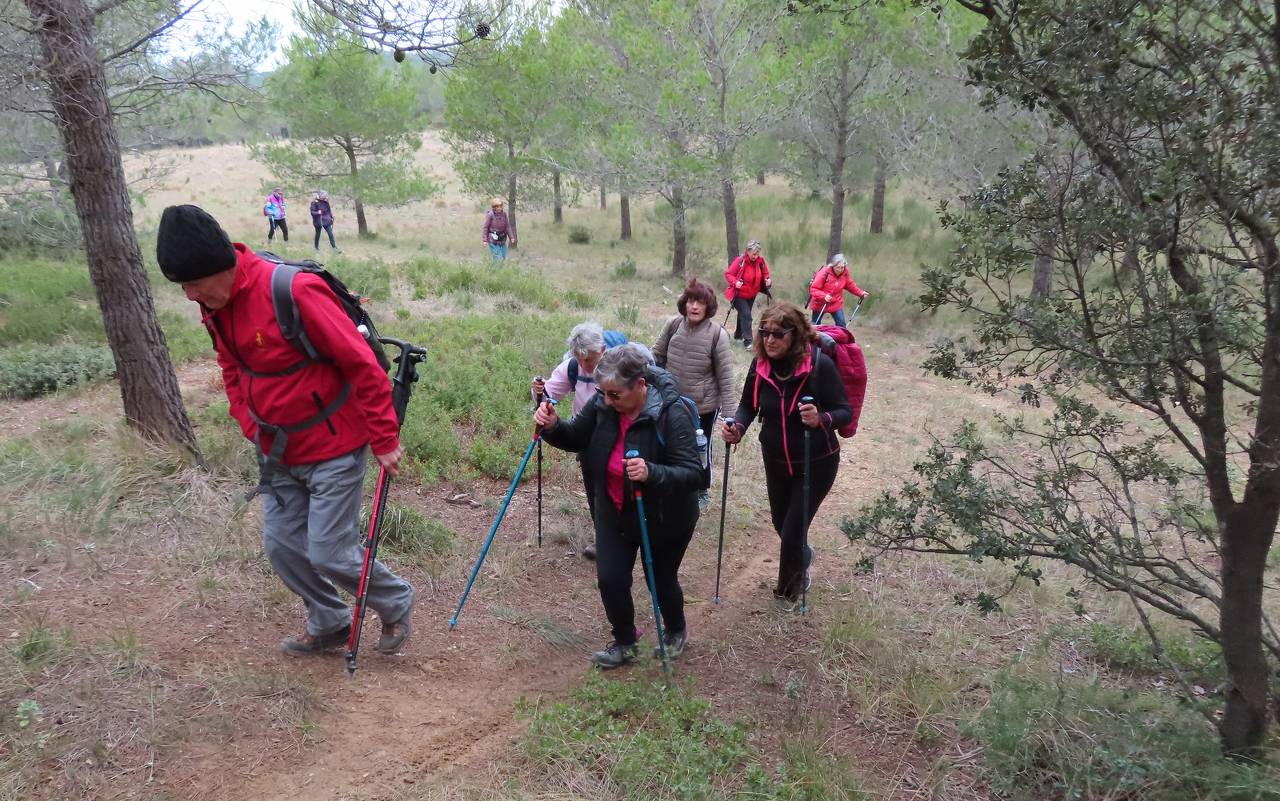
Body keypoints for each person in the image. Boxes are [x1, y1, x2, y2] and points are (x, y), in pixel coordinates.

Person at [156, 204, 415, 657]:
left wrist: (385, 437)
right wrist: (247, 422)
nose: (189, 295)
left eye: (193, 284)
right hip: (276, 450)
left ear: (221, 268)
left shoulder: (293, 291)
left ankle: (394, 600)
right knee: (282, 547)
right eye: (183, 287)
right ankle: (331, 620)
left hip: (334, 444)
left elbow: (363, 366)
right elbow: (231, 366)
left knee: (329, 552)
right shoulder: (213, 302)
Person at [534, 344, 703, 668]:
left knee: (660, 580)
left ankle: (675, 630)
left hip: (665, 516)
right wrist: (554, 425)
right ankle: (625, 641)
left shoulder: (670, 413)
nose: (607, 401)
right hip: (614, 509)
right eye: (603, 393)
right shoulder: (603, 405)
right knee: (610, 579)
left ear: (640, 385)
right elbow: (576, 437)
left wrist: (652, 472)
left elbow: (693, 474)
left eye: (615, 395)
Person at [720, 302, 850, 610]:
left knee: (792, 531)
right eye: (764, 333)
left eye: (778, 334)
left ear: (795, 336)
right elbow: (748, 406)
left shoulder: (819, 366)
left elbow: (845, 411)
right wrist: (737, 427)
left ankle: (787, 592)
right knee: (782, 524)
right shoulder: (761, 366)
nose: (769, 340)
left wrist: (822, 419)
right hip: (775, 460)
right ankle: (802, 557)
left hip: (816, 461)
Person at [532, 321, 625, 560]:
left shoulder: (620, 363)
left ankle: (624, 534)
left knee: (615, 485)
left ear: (602, 349)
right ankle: (604, 539)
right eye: (580, 358)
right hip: (585, 434)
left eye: (590, 359)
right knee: (594, 487)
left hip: (619, 434)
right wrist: (539, 393)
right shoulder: (572, 366)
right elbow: (550, 396)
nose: (585, 365)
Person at [652, 278, 737, 509]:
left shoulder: (717, 335)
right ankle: (671, 486)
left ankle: (701, 490)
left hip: (703, 406)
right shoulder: (673, 325)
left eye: (700, 302)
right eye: (691, 301)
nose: (694, 307)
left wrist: (731, 417)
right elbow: (656, 357)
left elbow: (726, 378)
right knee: (668, 444)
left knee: (700, 448)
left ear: (708, 307)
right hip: (670, 402)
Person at [724, 239, 772, 349]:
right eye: (754, 254)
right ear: (748, 251)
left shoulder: (761, 261)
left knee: (743, 315)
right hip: (738, 294)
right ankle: (748, 341)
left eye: (757, 253)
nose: (756, 256)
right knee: (746, 315)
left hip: (751, 294)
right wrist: (735, 282)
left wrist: (768, 280)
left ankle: (738, 337)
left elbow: (765, 274)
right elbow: (728, 274)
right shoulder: (740, 261)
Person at [809, 253, 869, 327]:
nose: (840, 270)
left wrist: (860, 293)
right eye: (838, 267)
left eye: (842, 267)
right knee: (815, 326)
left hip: (835, 302)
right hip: (820, 303)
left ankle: (841, 338)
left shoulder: (845, 273)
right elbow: (813, 289)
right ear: (833, 266)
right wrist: (824, 296)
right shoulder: (824, 273)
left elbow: (850, 285)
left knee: (841, 325)